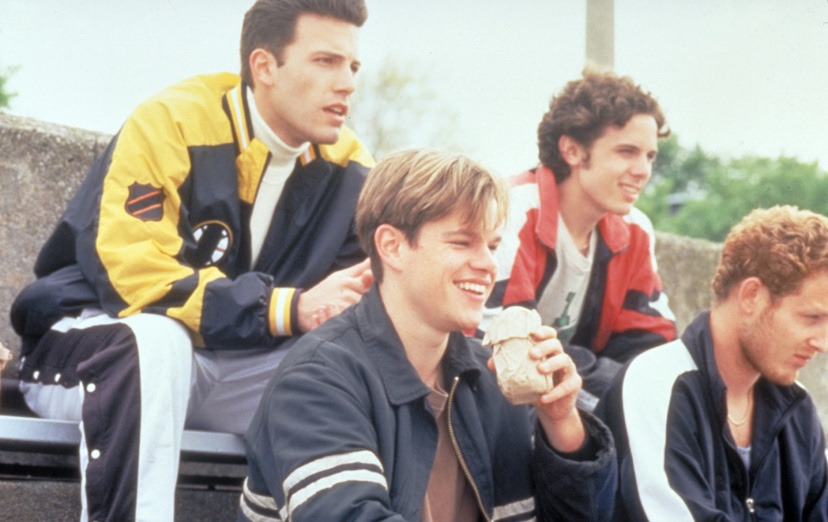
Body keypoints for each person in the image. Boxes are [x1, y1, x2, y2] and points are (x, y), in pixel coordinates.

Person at [9, 0, 373, 519]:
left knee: (352, 368)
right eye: (326, 62)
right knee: (158, 341)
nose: (347, 84)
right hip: (95, 354)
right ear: (265, 67)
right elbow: (136, 277)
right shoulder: (171, 121)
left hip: (231, 370)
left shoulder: (353, 168)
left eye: (353, 66)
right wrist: (283, 308)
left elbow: (373, 301)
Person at [239, 148, 617, 522]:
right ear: (392, 247)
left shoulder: (495, 379)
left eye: (493, 246)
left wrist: (562, 423)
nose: (488, 264)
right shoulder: (316, 380)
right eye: (462, 242)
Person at [597, 205, 828, 520]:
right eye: (812, 318)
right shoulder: (654, 384)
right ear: (752, 296)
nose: (823, 344)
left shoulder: (797, 409)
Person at [482, 69, 677, 409]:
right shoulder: (512, 212)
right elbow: (506, 346)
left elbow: (653, 352)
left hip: (574, 392)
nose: (643, 171)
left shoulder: (635, 230)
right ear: (572, 150)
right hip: (502, 397)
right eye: (627, 151)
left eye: (650, 156)